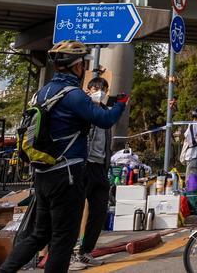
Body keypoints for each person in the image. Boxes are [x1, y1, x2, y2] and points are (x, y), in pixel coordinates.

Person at [0, 41, 127, 273]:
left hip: (43, 173)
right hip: (67, 175)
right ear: (77, 66)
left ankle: (4, 271)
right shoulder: (73, 95)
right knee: (62, 239)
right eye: (83, 64)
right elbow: (105, 120)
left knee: (39, 234)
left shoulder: (42, 92)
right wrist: (120, 105)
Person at [73, 74, 115, 269]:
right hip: (83, 165)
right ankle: (71, 252)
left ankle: (85, 251)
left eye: (104, 90)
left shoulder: (107, 113)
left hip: (99, 167)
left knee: (99, 209)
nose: (101, 93)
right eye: (97, 89)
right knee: (75, 210)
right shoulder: (82, 111)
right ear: (88, 91)